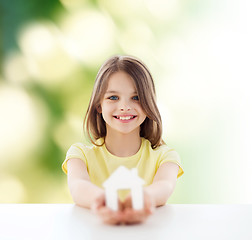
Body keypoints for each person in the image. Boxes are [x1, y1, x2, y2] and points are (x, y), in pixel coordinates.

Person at [62, 55, 184, 225]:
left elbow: (164, 186)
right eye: (113, 97)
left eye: (136, 97)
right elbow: (78, 186)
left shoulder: (165, 157)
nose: (124, 106)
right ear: (99, 105)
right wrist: (103, 201)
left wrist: (144, 199)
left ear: (149, 104)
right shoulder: (79, 155)